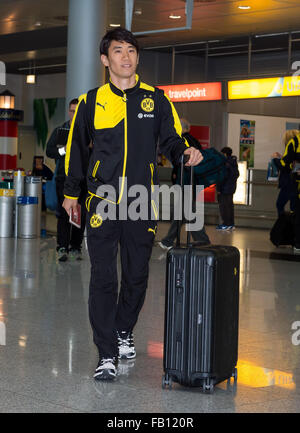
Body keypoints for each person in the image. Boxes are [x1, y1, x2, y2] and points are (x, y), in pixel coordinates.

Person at [62, 27, 203, 381]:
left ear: (137, 57)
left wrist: (183, 150)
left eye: (131, 51)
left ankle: (124, 330)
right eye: (118, 51)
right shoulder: (91, 101)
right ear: (105, 60)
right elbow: (76, 152)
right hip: (102, 201)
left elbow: (171, 138)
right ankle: (106, 352)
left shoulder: (156, 99)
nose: (126, 57)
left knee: (138, 274)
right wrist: (70, 193)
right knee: (103, 276)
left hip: (142, 202)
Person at [158, 118, 210, 251]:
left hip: (186, 181)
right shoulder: (194, 140)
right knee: (185, 211)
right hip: (192, 181)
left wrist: (176, 174)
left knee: (186, 210)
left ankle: (172, 240)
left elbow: (181, 161)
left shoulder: (184, 141)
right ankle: (172, 240)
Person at [46, 98, 87, 262]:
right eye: (72, 110)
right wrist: (63, 151)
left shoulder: (87, 132)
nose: (74, 113)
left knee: (80, 214)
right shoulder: (60, 130)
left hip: (82, 179)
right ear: (68, 112)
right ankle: (62, 246)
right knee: (64, 213)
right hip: (63, 177)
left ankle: (76, 247)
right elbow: (49, 151)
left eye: (77, 110)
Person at [280, 130, 300, 254]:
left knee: (298, 215)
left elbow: (284, 163)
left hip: (297, 187)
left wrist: (291, 169)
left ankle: (298, 243)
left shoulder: (295, 142)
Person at [216, 146, 239, 231]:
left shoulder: (225, 163)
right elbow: (236, 175)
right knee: (229, 206)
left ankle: (226, 224)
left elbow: (222, 177)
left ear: (224, 154)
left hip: (224, 188)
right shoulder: (233, 163)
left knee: (224, 207)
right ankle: (231, 224)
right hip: (231, 188)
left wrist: (218, 188)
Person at [272, 147, 297, 217]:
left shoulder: (292, 148)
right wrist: (281, 157)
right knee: (293, 207)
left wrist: (275, 159)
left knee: (280, 204)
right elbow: (290, 164)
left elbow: (284, 167)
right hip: (294, 184)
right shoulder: (296, 152)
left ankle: (283, 224)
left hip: (289, 183)